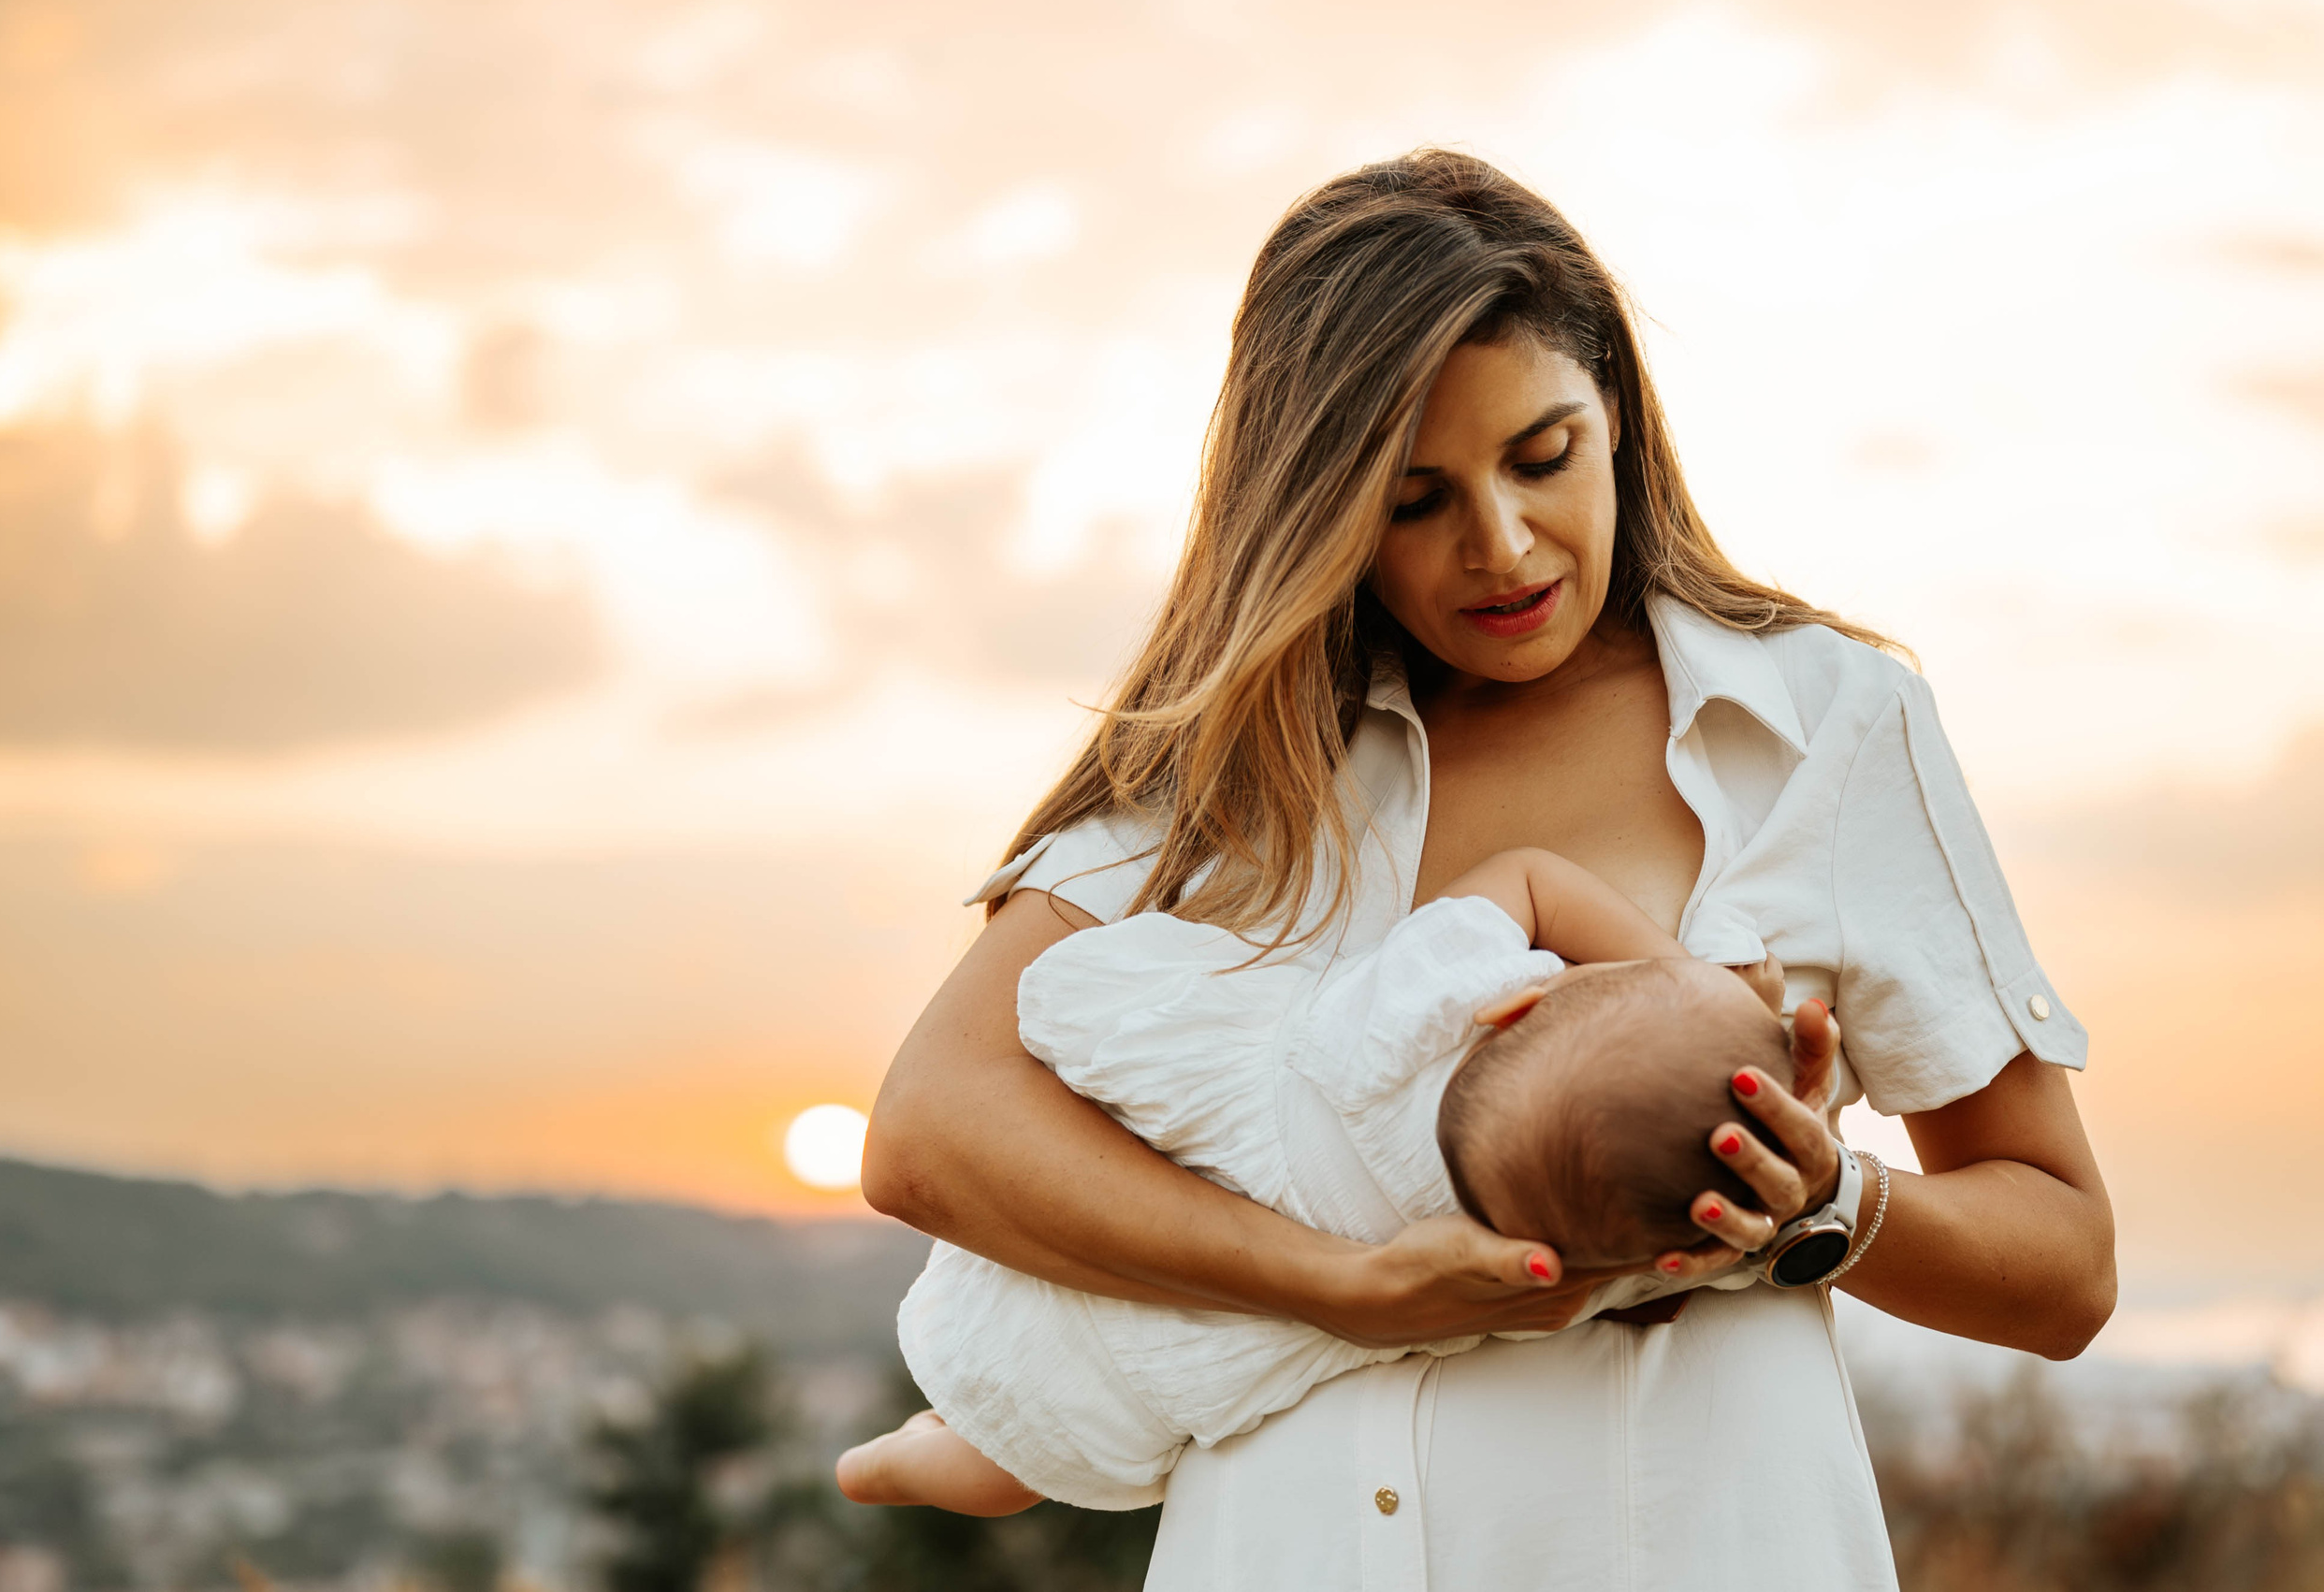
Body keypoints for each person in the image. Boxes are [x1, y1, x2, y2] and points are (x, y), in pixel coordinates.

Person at [864, 149, 2115, 1591]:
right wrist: (1339, 1287)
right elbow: (927, 1128)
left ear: (1619, 419)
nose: (1502, 545)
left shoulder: (1825, 720)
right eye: (1413, 500)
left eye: (1541, 456)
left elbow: (2065, 1263)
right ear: (1318, 508)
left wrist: (1826, 1202)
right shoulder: (1226, 763)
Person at [842, 846, 1806, 1517]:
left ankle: (867, 1463)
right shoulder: (1523, 1261)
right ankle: (880, 1466)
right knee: (998, 1466)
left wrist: (1685, 976)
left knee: (978, 1424)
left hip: (1130, 1215)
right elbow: (1686, 1263)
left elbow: (1533, 877)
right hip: (1139, 1373)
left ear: (1517, 1000)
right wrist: (1780, 1120)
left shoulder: (1418, 1014)